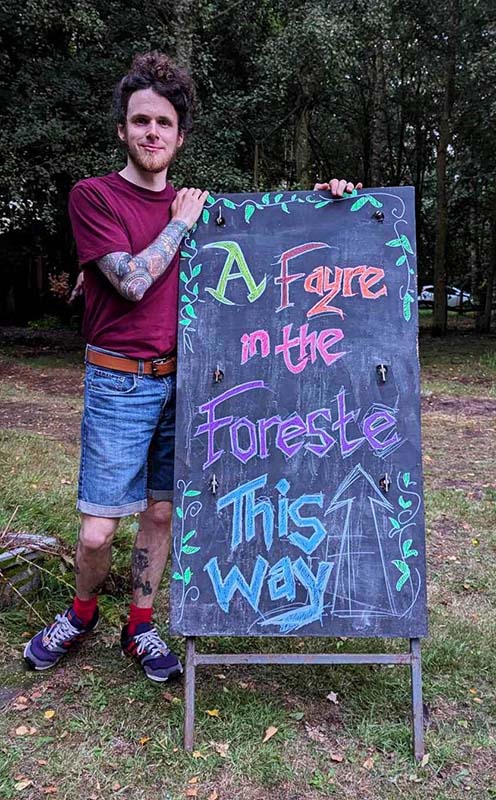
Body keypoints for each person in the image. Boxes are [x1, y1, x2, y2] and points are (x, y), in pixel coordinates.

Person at [23, 51, 362, 682]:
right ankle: (81, 613)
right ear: (122, 130)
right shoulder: (96, 197)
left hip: (191, 382)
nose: (152, 132)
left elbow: (276, 244)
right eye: (141, 121)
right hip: (119, 381)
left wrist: (325, 206)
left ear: (179, 137)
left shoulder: (204, 210)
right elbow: (131, 282)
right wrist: (180, 224)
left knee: (161, 514)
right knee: (97, 531)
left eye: (165, 123)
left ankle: (139, 626)